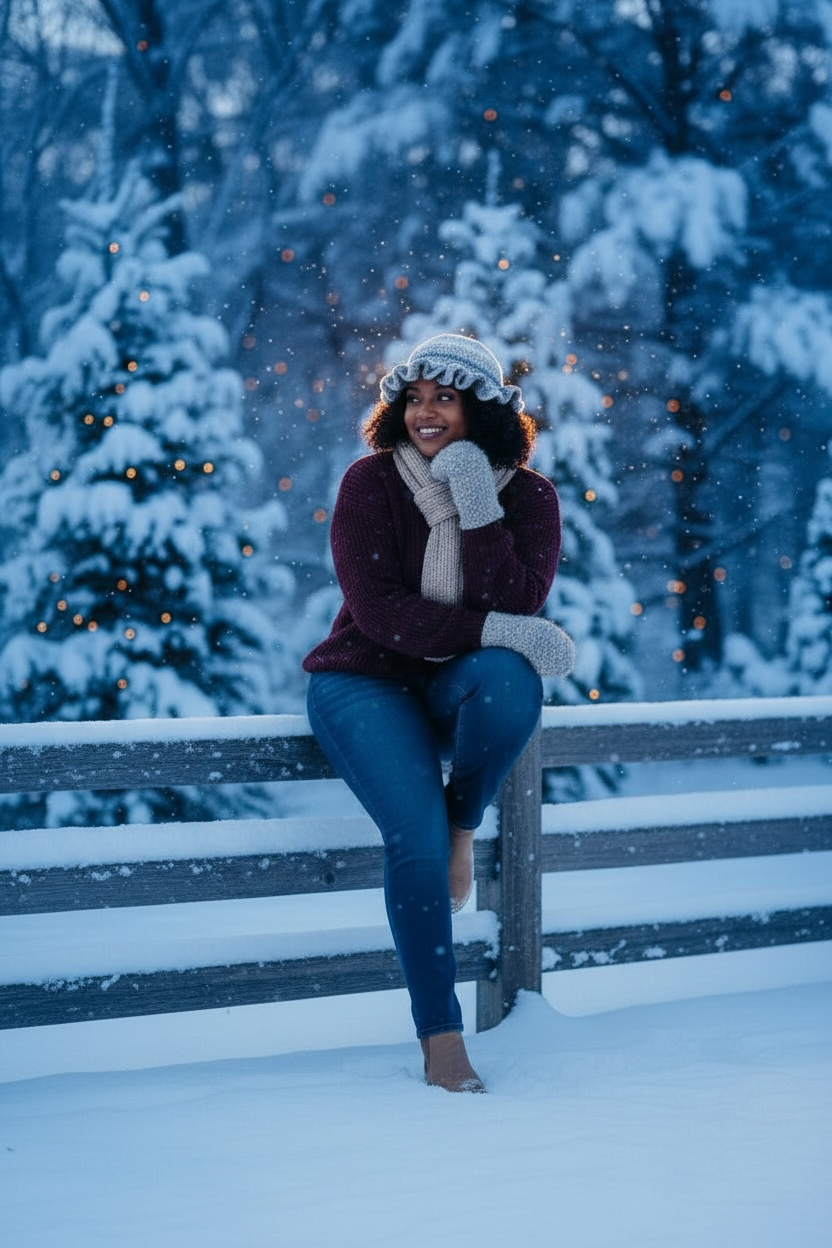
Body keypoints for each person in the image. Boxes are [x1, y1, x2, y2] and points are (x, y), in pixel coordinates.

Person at [303, 333, 574, 1093]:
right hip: (364, 679)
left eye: (443, 398)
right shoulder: (370, 485)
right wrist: (495, 630)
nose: (423, 413)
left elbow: (518, 599)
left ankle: (465, 824)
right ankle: (442, 1039)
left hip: (456, 678)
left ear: (479, 409)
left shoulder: (529, 497)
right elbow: (382, 613)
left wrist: (476, 501)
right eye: (413, 397)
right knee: (412, 842)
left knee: (514, 679)